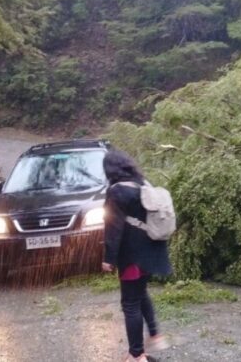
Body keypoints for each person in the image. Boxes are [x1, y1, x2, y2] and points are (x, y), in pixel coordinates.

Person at [102, 150, 172, 362]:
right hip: (151, 253)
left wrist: (109, 259)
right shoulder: (142, 184)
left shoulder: (116, 192)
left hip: (132, 256)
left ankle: (137, 356)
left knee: (130, 303)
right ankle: (155, 334)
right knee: (140, 294)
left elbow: (114, 228)